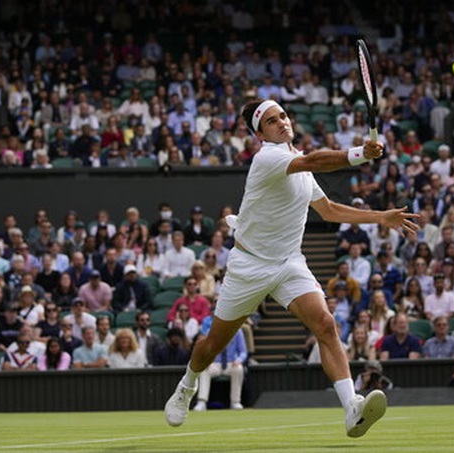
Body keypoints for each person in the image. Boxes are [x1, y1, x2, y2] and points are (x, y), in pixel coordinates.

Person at [165, 98, 419, 437]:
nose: (281, 122)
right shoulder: (268, 158)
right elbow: (314, 159)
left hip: (288, 263)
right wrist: (358, 154)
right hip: (248, 267)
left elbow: (328, 210)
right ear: (260, 134)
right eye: (271, 121)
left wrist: (380, 217)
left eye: (283, 115)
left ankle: (351, 408)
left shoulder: (298, 165)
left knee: (326, 325)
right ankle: (187, 384)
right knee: (213, 344)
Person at [193, 327, 248, 412]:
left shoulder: (237, 331)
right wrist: (206, 361)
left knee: (239, 369)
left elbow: (243, 352)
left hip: (231, 363)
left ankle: (235, 402)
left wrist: (238, 360)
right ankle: (202, 402)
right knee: (204, 369)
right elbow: (206, 349)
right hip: (214, 363)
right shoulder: (210, 331)